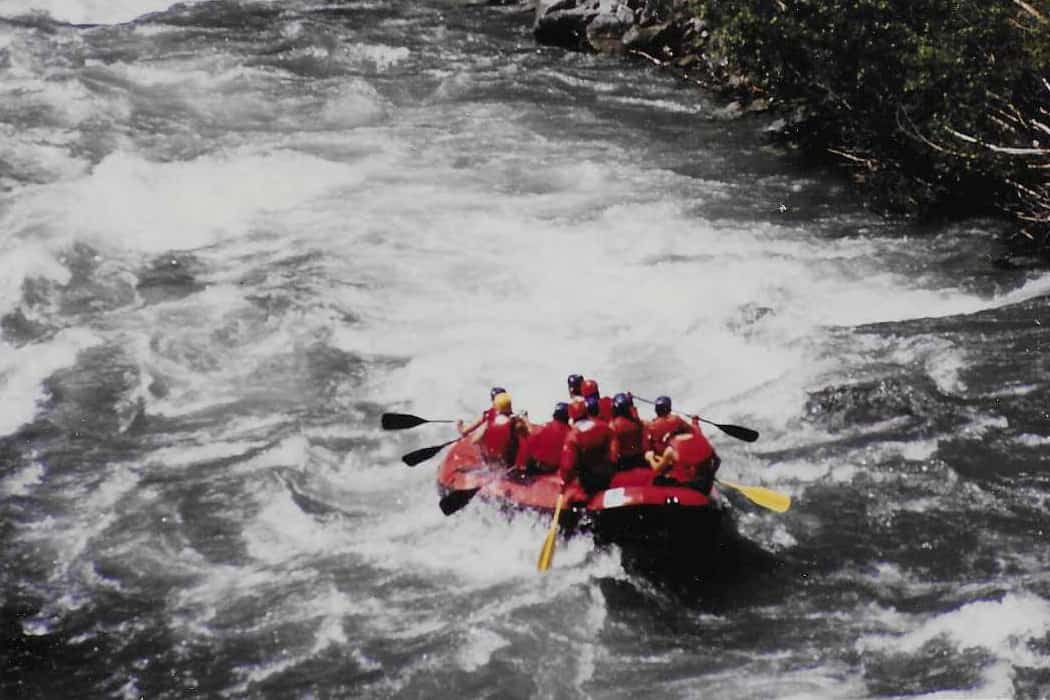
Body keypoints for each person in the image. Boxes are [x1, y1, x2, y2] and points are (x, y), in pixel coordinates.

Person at [559, 395, 616, 493]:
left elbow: (567, 467)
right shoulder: (604, 427)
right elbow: (614, 454)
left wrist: (564, 481)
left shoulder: (572, 437)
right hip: (608, 476)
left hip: (587, 483)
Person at [645, 430, 721, 494]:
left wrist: (650, 458)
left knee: (656, 479)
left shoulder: (670, 450)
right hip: (705, 485)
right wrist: (711, 475)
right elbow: (717, 461)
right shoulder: (703, 440)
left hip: (688, 487)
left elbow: (657, 469)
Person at [515, 402, 572, 474]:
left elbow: (527, 444)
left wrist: (520, 466)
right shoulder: (571, 432)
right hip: (557, 470)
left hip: (539, 469)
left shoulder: (543, 428)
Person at [474, 392, 529, 466]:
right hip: (509, 463)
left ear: (496, 407)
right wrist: (525, 419)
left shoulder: (488, 423)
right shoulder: (515, 422)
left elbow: (474, 440)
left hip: (491, 462)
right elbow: (528, 435)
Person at [608, 393, 646, 469]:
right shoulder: (637, 423)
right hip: (639, 459)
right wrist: (630, 403)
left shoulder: (614, 425)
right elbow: (634, 413)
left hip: (624, 463)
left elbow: (614, 454)